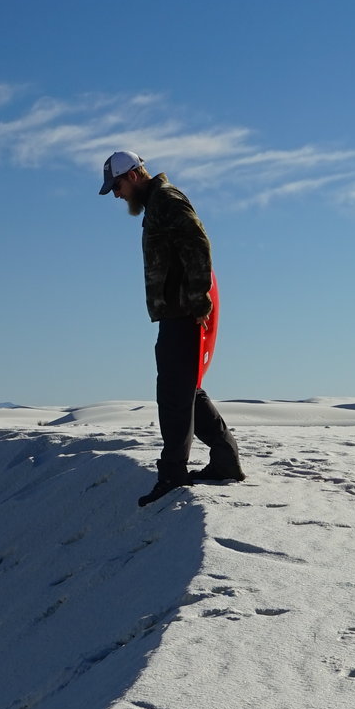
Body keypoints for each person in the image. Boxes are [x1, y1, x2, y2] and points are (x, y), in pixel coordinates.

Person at [99, 149, 243, 506]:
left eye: (116, 186)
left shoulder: (166, 199)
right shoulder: (156, 204)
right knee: (186, 388)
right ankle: (225, 461)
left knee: (174, 396)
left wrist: (198, 299)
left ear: (132, 175)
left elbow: (198, 243)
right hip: (175, 311)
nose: (116, 194)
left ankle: (173, 474)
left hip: (185, 312)